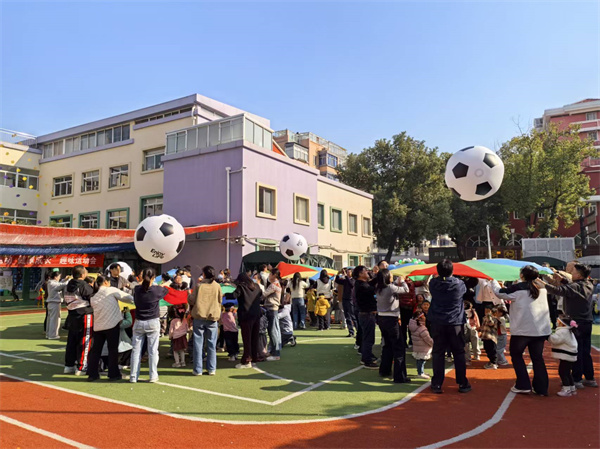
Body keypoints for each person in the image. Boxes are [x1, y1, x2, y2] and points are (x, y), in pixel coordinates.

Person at [493, 265, 551, 395]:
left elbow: (499, 293)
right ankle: (542, 388)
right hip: (540, 330)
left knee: (516, 355)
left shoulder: (518, 289)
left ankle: (523, 384)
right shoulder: (542, 288)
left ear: (522, 275)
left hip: (522, 330)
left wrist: (493, 281)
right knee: (537, 358)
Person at [538, 262, 597, 389]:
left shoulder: (575, 286)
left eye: (573, 272)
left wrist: (541, 283)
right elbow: (572, 286)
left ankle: (576, 379)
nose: (571, 273)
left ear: (579, 275)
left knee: (575, 351)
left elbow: (558, 290)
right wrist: (562, 280)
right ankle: (590, 378)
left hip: (576, 323)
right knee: (585, 352)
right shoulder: (589, 284)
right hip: (587, 322)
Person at [427, 260, 471, 394]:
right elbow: (469, 286)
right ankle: (462, 383)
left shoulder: (433, 283)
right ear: (452, 270)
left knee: (438, 353)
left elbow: (433, 282)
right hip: (455, 322)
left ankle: (437, 384)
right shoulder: (459, 284)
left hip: (438, 322)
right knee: (459, 352)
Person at [87, 274, 134, 382]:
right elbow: (128, 298)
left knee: (96, 351)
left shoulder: (93, 296)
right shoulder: (111, 290)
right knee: (112, 350)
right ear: (106, 282)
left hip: (98, 326)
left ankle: (92, 374)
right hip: (112, 325)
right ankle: (113, 374)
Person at [130, 268, 168, 383]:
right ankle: (153, 375)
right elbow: (166, 290)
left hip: (139, 322)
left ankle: (133, 376)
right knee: (153, 351)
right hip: (152, 322)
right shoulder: (157, 290)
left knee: (136, 351)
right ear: (153, 278)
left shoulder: (137, 289)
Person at [375, 269, 410, 382]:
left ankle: (384, 370)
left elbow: (391, 286)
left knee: (387, 345)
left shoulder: (378, 287)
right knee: (399, 347)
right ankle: (400, 376)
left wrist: (396, 282)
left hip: (381, 318)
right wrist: (403, 281)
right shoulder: (390, 288)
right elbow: (406, 290)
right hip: (391, 319)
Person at [188, 265, 223, 375]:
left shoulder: (199, 286)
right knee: (212, 344)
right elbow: (220, 299)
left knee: (198, 344)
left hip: (199, 315)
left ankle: (198, 369)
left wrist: (189, 295)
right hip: (212, 317)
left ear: (204, 274)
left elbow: (192, 300)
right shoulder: (217, 286)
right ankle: (211, 368)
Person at [63, 265, 95, 375]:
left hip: (72, 314)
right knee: (85, 340)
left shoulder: (68, 285)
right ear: (82, 274)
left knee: (72, 340)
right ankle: (82, 366)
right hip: (84, 314)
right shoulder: (83, 285)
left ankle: (69, 365)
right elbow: (93, 298)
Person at [232, 272, 263, 368]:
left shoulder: (241, 287)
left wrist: (226, 293)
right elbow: (261, 296)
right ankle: (254, 358)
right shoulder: (257, 286)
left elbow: (234, 296)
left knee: (247, 339)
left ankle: (246, 360)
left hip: (246, 315)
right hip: (256, 314)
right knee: (254, 338)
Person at [354, 265, 378, 369]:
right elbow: (371, 288)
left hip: (366, 314)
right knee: (369, 338)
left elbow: (370, 284)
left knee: (367, 337)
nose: (367, 272)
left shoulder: (362, 284)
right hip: (367, 314)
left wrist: (378, 275)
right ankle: (367, 360)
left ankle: (366, 356)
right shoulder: (361, 285)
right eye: (365, 271)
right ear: (360, 274)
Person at [548, 314, 579, 397]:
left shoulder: (563, 331)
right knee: (567, 372)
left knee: (563, 372)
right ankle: (572, 388)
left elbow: (555, 340)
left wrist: (548, 336)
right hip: (570, 354)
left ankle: (566, 389)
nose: (557, 322)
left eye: (558, 321)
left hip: (567, 355)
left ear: (562, 323)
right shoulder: (568, 330)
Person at [262, 269, 282, 361]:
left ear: (274, 275)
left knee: (272, 331)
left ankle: (276, 354)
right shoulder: (277, 284)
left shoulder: (274, 285)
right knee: (273, 331)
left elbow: (264, 294)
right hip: (273, 309)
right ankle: (273, 351)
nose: (269, 276)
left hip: (271, 309)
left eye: (270, 274)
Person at [409, 309, 433, 379]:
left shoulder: (414, 327)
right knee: (422, 361)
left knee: (419, 360)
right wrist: (433, 343)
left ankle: (420, 371)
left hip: (417, 347)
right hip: (423, 348)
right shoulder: (422, 329)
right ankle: (420, 373)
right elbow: (427, 339)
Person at [45, 271, 68, 340]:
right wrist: (69, 280)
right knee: (54, 320)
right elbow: (62, 285)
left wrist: (65, 279)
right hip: (54, 303)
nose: (59, 278)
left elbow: (60, 283)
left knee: (50, 319)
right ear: (55, 277)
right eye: (59, 277)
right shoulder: (52, 283)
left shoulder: (51, 282)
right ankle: (53, 335)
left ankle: (49, 334)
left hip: (52, 303)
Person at [336, 268, 357, 338]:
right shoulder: (345, 280)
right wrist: (338, 274)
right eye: (347, 272)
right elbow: (337, 281)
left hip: (351, 299)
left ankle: (358, 331)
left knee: (353, 316)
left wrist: (346, 277)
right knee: (347, 316)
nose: (347, 273)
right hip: (344, 298)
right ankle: (351, 332)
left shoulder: (353, 280)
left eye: (349, 272)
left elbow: (351, 284)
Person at [479, 305, 499, 370]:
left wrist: (489, 315)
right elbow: (483, 326)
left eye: (488, 311)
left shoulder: (494, 318)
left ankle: (494, 363)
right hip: (485, 336)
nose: (486, 312)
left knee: (492, 350)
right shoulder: (484, 318)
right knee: (487, 349)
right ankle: (491, 361)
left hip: (491, 337)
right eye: (485, 311)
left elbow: (491, 324)